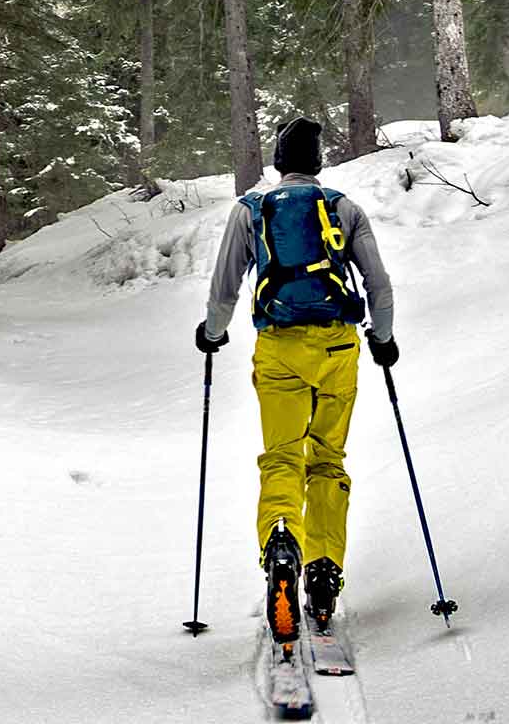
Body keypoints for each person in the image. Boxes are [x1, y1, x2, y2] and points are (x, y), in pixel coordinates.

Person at [195, 116, 397, 645]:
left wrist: (213, 333)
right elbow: (377, 282)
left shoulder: (252, 210)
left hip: (279, 348)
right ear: (318, 162)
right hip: (337, 347)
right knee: (327, 458)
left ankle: (282, 540)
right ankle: (324, 568)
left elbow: (224, 287)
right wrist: (383, 337)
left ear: (279, 162)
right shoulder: (343, 208)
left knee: (281, 455)